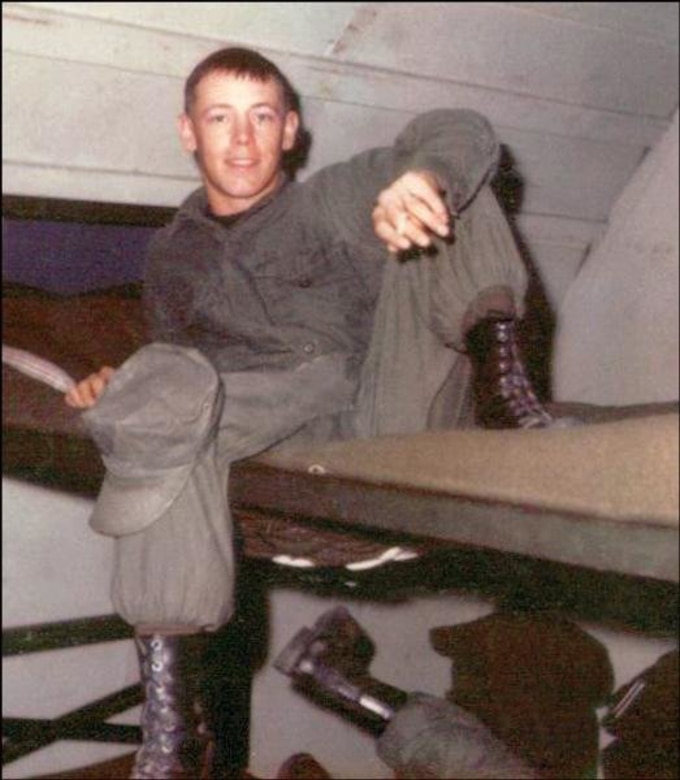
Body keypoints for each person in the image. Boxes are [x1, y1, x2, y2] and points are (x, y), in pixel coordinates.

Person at [65, 47, 557, 779]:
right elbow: (171, 362)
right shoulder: (171, 254)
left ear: (290, 129)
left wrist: (421, 181)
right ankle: (173, 733)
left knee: (450, 184)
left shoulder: (327, 200)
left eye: (262, 117)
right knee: (155, 402)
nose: (241, 139)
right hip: (262, 419)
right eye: (220, 118)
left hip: (381, 407)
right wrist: (124, 382)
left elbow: (458, 126)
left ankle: (510, 397)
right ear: (187, 132)